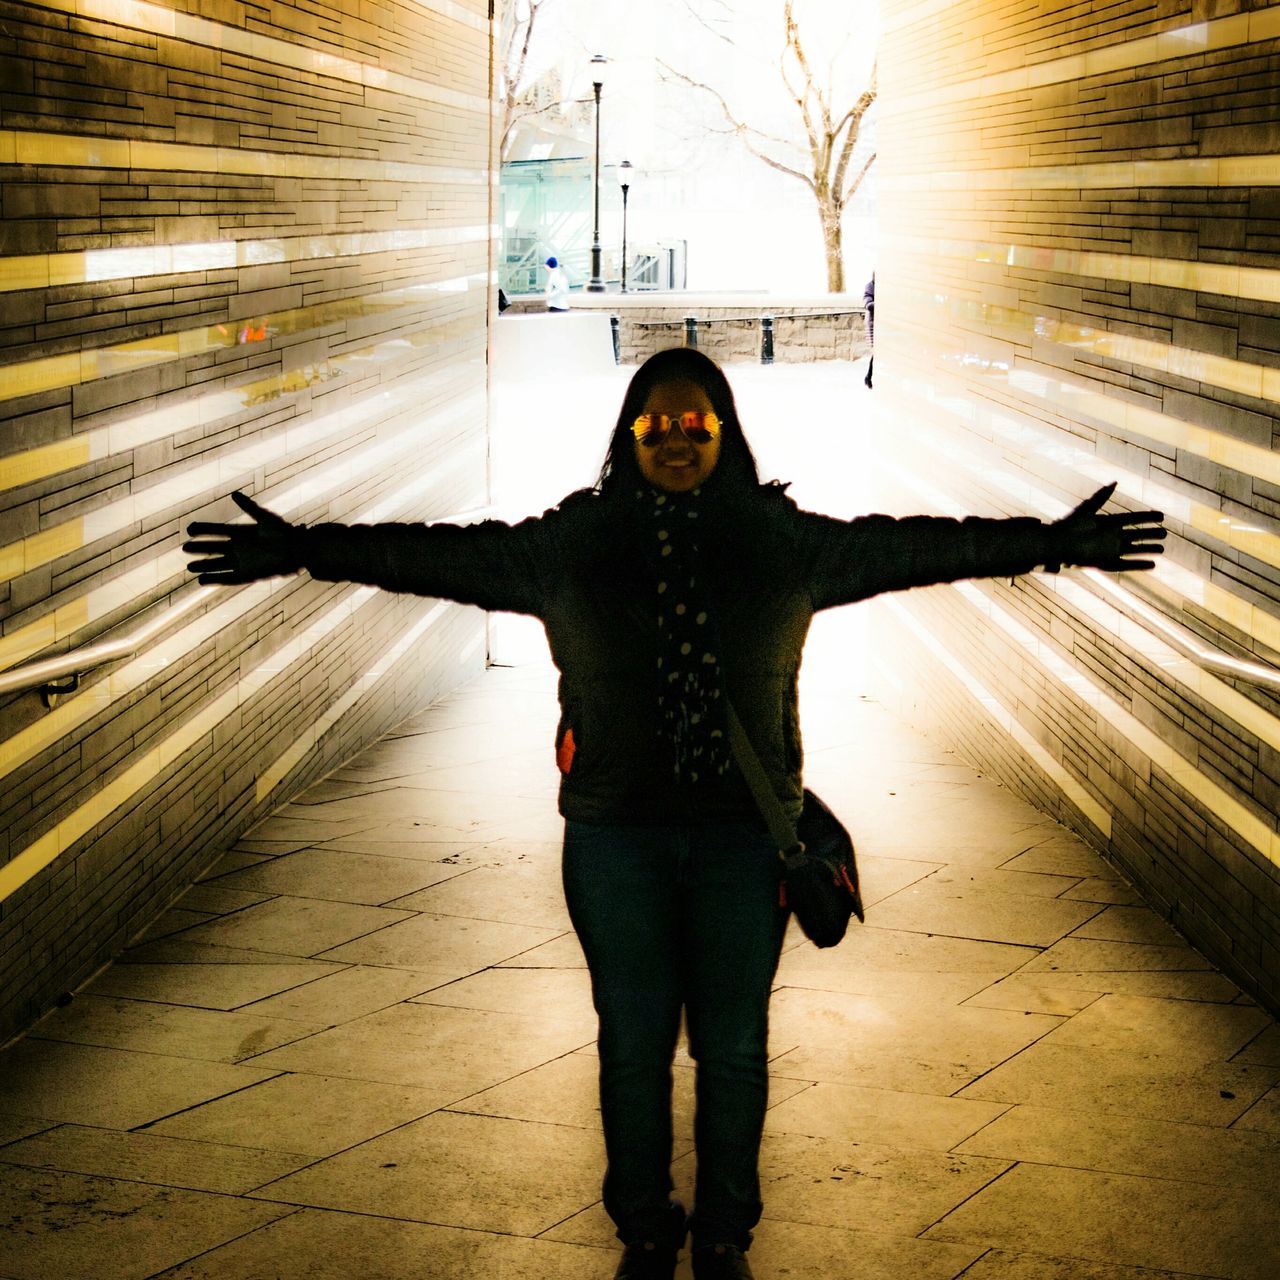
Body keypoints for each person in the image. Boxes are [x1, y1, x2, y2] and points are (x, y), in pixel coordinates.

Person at [185, 347, 1165, 1280]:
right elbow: (441, 557)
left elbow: (909, 546)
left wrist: (1047, 545)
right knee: (632, 1038)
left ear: (723, 430)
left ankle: (725, 1233)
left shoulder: (782, 543)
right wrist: (304, 550)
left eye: (695, 419)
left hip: (745, 837)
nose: (676, 436)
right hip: (617, 835)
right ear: (629, 432)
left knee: (732, 1043)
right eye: (657, 421)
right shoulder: (571, 544)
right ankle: (647, 1227)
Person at [863, 273, 874, 388]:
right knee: (875, 351)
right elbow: (867, 301)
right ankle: (868, 377)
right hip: (872, 322)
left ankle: (868, 377)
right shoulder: (870, 286)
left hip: (881, 323)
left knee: (878, 351)